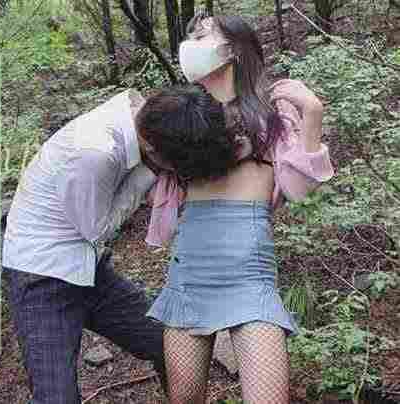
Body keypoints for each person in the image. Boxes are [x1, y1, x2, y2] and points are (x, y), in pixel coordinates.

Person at [139, 14, 336, 404]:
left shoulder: (273, 116)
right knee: (184, 399)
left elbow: (298, 190)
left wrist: (312, 112)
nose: (191, 42)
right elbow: (155, 174)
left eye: (201, 35)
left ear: (233, 50)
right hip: (189, 274)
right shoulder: (181, 112)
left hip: (250, 277)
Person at [2, 86, 229, 404]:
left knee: (167, 345)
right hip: (41, 274)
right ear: (154, 149)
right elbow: (97, 229)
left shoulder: (143, 117)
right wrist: (148, 173)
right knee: (57, 397)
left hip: (88, 268)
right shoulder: (94, 151)